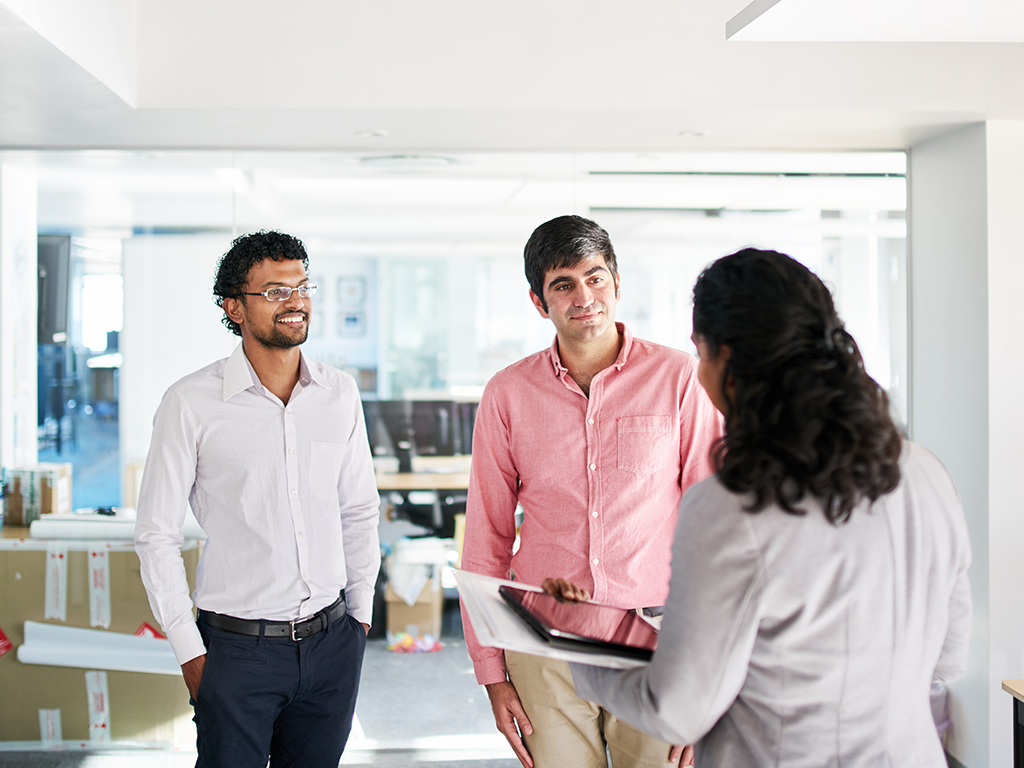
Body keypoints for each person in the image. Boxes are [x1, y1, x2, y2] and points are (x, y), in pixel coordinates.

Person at [568, 248, 973, 767]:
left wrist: (580, 657)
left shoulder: (732, 507)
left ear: (727, 361)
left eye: (701, 354)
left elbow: (677, 711)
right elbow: (949, 656)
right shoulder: (925, 473)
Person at [460, 214, 722, 768]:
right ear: (540, 302)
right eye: (564, 284)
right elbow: (486, 538)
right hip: (546, 642)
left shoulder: (680, 378)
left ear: (617, 283)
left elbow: (714, 528)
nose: (585, 296)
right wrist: (492, 675)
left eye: (595, 277)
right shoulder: (507, 394)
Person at [134, 230, 381, 768]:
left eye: (302, 287)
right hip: (236, 651)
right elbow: (156, 534)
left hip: (332, 640)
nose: (294, 301)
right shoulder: (189, 403)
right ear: (234, 307)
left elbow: (358, 509)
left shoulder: (339, 392)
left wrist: (358, 619)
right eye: (274, 291)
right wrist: (190, 652)